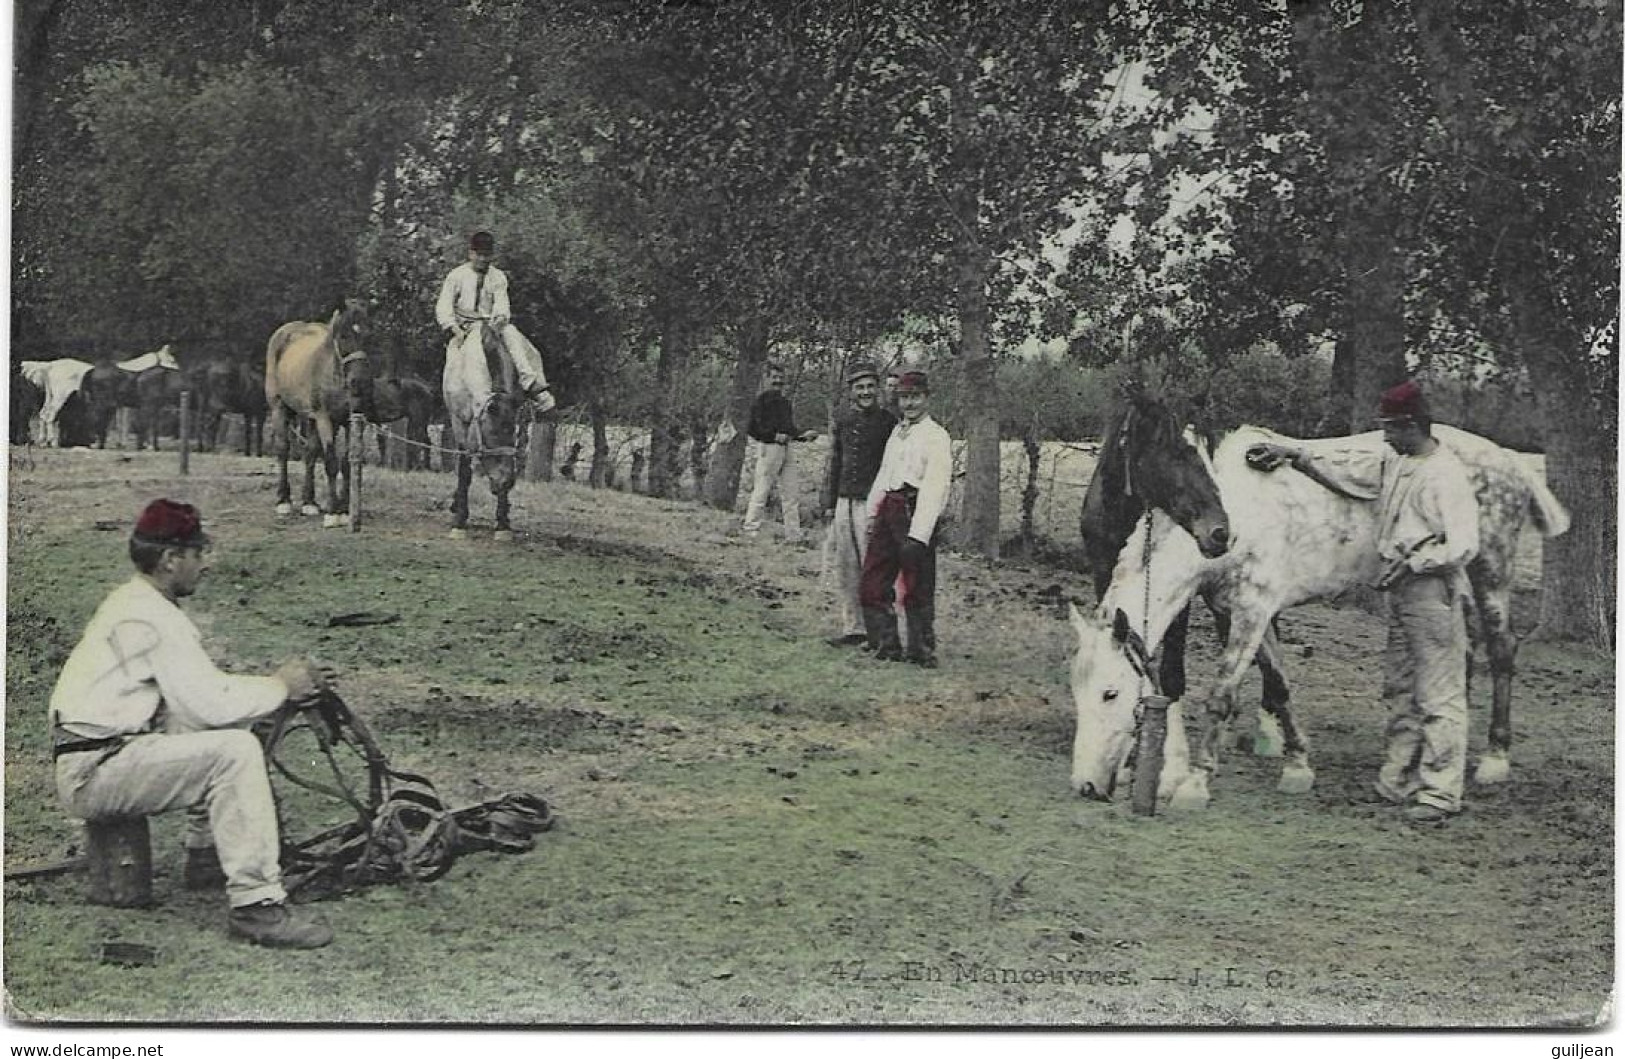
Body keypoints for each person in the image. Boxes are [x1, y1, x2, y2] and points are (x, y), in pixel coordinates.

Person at [49, 499, 335, 947]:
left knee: (217, 731)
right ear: (170, 560)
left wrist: (268, 691)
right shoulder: (155, 616)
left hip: (100, 756)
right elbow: (211, 703)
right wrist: (282, 686)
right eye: (197, 554)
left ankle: (205, 856)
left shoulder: (134, 600)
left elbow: (196, 702)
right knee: (235, 751)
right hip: (95, 770)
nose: (204, 565)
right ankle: (256, 906)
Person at [1247, 379, 1480, 824]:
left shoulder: (1445, 474)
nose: (1385, 436)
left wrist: (1417, 562)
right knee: (1399, 689)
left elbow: (1465, 543)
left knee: (1439, 693)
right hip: (1402, 591)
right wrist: (1296, 456)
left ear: (1412, 425)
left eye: (1391, 428)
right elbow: (1348, 473)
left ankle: (1440, 791)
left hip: (1434, 592)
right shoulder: (1398, 461)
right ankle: (1397, 779)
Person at [860, 370, 953, 666]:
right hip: (890, 506)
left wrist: (919, 533)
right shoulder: (898, 433)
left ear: (926, 398)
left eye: (915, 398)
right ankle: (886, 644)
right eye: (904, 398)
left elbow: (937, 485)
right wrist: (872, 513)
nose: (909, 404)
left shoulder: (936, 436)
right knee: (873, 578)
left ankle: (921, 649)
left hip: (915, 510)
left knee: (917, 584)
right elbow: (886, 474)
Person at [820, 359, 897, 647]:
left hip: (871, 502)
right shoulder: (842, 419)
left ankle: (879, 632)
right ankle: (854, 628)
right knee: (846, 565)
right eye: (859, 387)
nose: (865, 392)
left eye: (869, 387)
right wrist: (829, 501)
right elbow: (836, 461)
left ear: (877, 389)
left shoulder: (888, 422)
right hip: (843, 500)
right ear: (851, 391)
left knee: (874, 567)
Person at [435, 230, 555, 413]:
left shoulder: (497, 276)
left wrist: (499, 318)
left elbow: (502, 303)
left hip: (491, 324)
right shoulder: (456, 276)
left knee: (517, 339)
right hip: (466, 327)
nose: (483, 259)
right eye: (479, 255)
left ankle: (530, 381)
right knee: (454, 366)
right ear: (471, 253)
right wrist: (453, 328)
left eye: (487, 255)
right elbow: (444, 306)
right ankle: (456, 400)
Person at [742, 365, 817, 541]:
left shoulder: (784, 403)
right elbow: (752, 429)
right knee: (762, 490)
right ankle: (750, 530)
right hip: (769, 449)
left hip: (787, 449)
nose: (778, 381)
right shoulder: (759, 403)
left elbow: (789, 429)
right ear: (765, 379)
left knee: (791, 493)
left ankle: (793, 535)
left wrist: (803, 436)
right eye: (774, 377)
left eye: (780, 378)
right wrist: (773, 436)